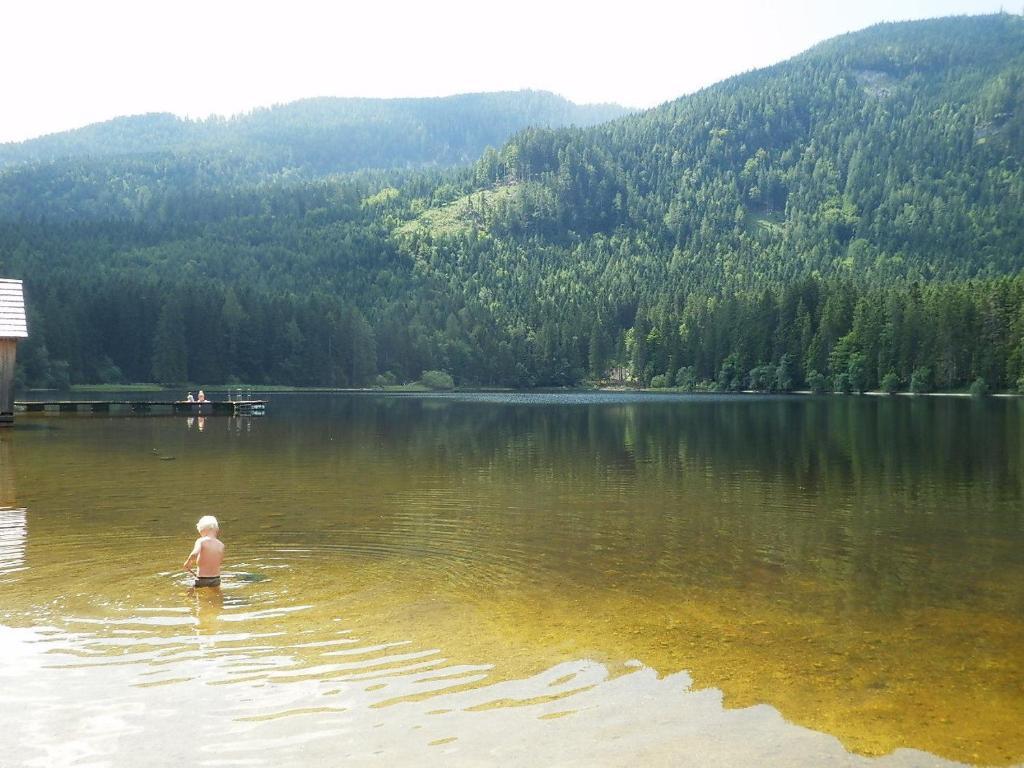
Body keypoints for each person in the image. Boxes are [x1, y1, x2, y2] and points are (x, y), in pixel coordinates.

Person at [183, 515, 224, 588]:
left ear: (203, 530)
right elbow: (220, 561)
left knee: (197, 596)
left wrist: (188, 563)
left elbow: (194, 554)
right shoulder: (221, 544)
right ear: (216, 530)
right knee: (216, 594)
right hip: (216, 579)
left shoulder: (201, 541)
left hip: (202, 579)